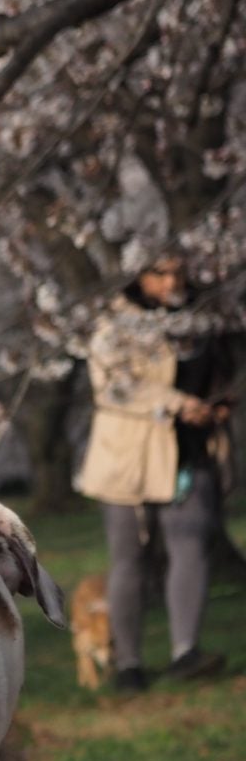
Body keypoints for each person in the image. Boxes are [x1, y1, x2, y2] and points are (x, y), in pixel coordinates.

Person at [76, 256, 235, 689]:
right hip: (131, 457)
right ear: (138, 276)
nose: (172, 282)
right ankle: (128, 663)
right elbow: (114, 386)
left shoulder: (203, 317)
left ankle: (186, 651)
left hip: (192, 451)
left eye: (179, 272)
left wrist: (219, 402)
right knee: (130, 558)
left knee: (192, 544)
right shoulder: (115, 323)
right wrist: (178, 402)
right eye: (160, 273)